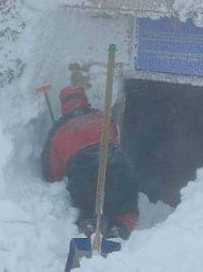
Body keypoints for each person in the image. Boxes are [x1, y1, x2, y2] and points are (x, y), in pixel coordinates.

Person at [41, 85, 139, 238]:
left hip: (82, 170)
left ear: (63, 106)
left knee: (87, 204)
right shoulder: (103, 118)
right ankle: (120, 228)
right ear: (85, 100)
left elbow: (51, 173)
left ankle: (89, 225)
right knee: (124, 202)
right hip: (114, 161)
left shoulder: (58, 131)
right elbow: (116, 138)